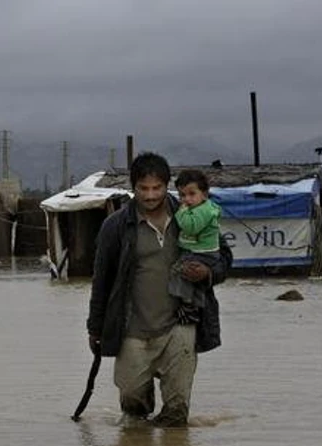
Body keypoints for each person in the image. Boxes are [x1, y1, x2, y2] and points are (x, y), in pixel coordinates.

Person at [87, 152, 232, 428]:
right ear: (133, 188)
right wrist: (94, 328)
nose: (150, 195)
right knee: (133, 407)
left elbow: (223, 259)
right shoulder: (115, 226)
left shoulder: (194, 217)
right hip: (132, 328)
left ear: (168, 187)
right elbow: (101, 280)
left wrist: (208, 273)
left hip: (181, 324)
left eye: (157, 188)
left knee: (177, 413)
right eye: (143, 188)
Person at [169, 169, 223, 325]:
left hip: (202, 254)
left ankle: (188, 305)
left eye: (192, 194)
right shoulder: (197, 209)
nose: (186, 199)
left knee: (179, 272)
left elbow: (191, 227)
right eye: (182, 195)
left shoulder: (204, 210)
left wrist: (180, 212)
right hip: (198, 252)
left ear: (204, 194)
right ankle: (194, 305)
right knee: (193, 280)